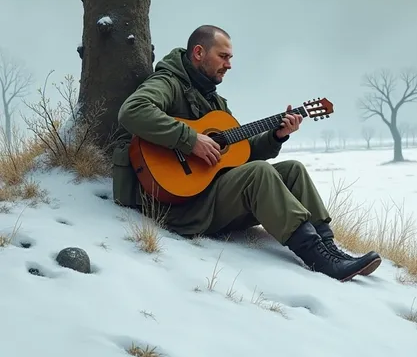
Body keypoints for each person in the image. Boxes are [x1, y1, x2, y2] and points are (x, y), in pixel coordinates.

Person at [113, 25, 381, 281]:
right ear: (198, 53)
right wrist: (191, 140)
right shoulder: (168, 82)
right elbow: (133, 111)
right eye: (223, 56)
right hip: (179, 207)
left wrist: (277, 135)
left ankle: (330, 249)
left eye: (230, 58)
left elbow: (242, 153)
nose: (229, 64)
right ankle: (319, 259)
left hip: (209, 195)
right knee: (259, 173)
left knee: (293, 169)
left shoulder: (214, 101)